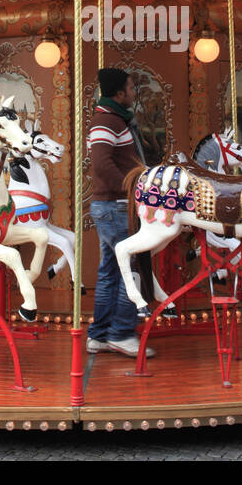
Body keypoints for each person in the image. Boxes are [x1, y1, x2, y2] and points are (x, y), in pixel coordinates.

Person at [86, 67, 155, 359]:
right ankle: (122, 333)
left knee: (110, 272)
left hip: (113, 204)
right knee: (131, 268)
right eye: (130, 87)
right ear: (118, 93)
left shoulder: (115, 120)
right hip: (116, 205)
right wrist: (130, 191)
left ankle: (99, 335)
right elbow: (101, 163)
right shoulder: (106, 121)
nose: (133, 92)